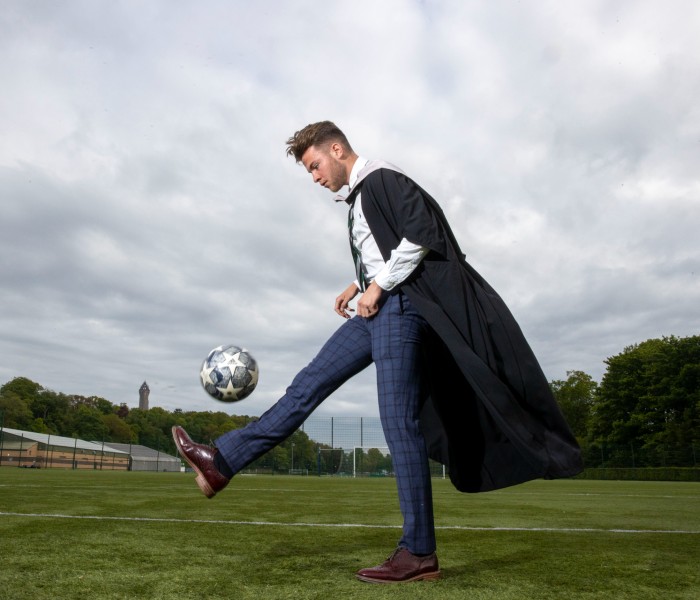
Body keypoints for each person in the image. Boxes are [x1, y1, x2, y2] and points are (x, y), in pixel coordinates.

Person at [172, 121, 582, 584]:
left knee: (397, 421)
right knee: (307, 385)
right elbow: (387, 248)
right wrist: (360, 282)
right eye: (309, 172)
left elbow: (422, 235)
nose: (315, 178)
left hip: (400, 309)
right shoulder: (361, 197)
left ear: (336, 149)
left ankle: (419, 553)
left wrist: (380, 285)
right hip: (380, 307)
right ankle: (221, 462)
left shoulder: (382, 179)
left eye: (314, 166)